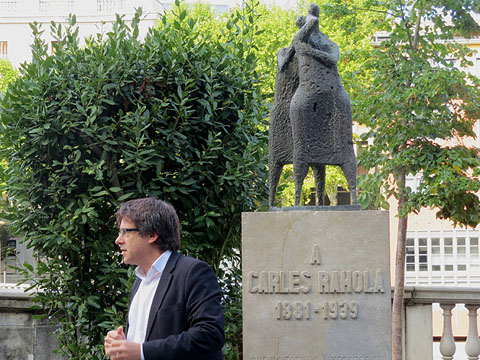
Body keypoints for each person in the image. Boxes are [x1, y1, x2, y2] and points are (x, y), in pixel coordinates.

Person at [104, 197, 225, 360]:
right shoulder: (140, 280)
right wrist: (123, 345)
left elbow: (210, 335)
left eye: (126, 231)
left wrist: (141, 351)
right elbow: (147, 340)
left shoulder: (192, 272)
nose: (118, 240)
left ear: (151, 235)